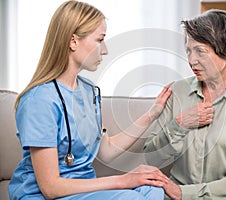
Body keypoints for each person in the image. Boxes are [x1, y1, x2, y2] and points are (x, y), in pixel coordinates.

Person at [8, 1, 172, 199]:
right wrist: (124, 180)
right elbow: (50, 188)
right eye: (100, 39)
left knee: (153, 189)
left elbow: (106, 150)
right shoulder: (38, 101)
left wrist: (152, 114)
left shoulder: (89, 91)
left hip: (83, 190)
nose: (105, 50)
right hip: (41, 194)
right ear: (73, 41)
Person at [144, 9, 226, 200]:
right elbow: (152, 157)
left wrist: (184, 193)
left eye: (200, 51)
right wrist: (180, 124)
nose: (192, 61)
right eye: (188, 51)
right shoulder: (177, 92)